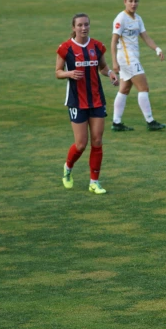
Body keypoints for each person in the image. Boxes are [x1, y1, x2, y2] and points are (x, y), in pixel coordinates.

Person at [56, 13, 119, 195]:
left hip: (97, 99)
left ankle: (94, 182)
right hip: (76, 101)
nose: (84, 28)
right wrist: (69, 74)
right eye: (80, 25)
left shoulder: (97, 46)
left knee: (97, 141)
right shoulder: (65, 48)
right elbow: (58, 72)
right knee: (81, 144)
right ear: (74, 27)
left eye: (86, 25)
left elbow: (103, 68)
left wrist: (111, 75)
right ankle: (68, 167)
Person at [110, 0, 166, 131]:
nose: (133, 4)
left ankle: (116, 122)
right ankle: (150, 121)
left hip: (132, 58)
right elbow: (113, 41)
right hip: (127, 58)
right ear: (125, 2)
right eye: (130, 1)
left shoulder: (138, 18)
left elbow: (145, 37)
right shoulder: (121, 19)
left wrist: (157, 49)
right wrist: (114, 62)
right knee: (143, 87)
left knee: (124, 89)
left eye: (136, 1)